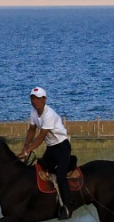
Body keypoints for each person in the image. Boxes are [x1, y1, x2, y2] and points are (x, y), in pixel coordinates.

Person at [17, 86, 76, 214]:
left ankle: (67, 206)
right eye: (33, 98)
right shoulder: (33, 112)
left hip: (62, 146)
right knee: (40, 167)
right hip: (51, 148)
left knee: (60, 175)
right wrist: (25, 145)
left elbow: (41, 136)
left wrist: (27, 152)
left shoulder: (49, 114)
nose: (35, 101)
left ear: (44, 99)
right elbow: (32, 129)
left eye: (38, 99)